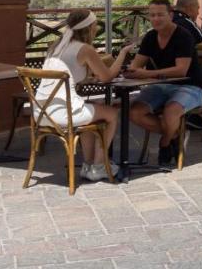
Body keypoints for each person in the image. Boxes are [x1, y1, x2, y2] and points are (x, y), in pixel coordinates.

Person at [34, 10, 135, 181]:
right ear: (89, 28)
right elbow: (107, 77)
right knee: (111, 113)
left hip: (41, 113)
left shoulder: (56, 46)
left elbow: (69, 72)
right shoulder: (85, 49)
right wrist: (123, 54)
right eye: (95, 26)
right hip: (64, 114)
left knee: (93, 113)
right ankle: (99, 165)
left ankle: (88, 165)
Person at [128, 0, 202, 165]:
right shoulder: (150, 37)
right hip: (161, 86)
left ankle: (164, 144)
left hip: (190, 86)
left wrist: (148, 73)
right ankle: (176, 134)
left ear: (170, 15)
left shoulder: (183, 35)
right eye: (152, 15)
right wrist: (130, 71)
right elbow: (137, 65)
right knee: (134, 112)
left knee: (171, 111)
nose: (156, 19)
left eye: (160, 15)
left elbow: (181, 70)